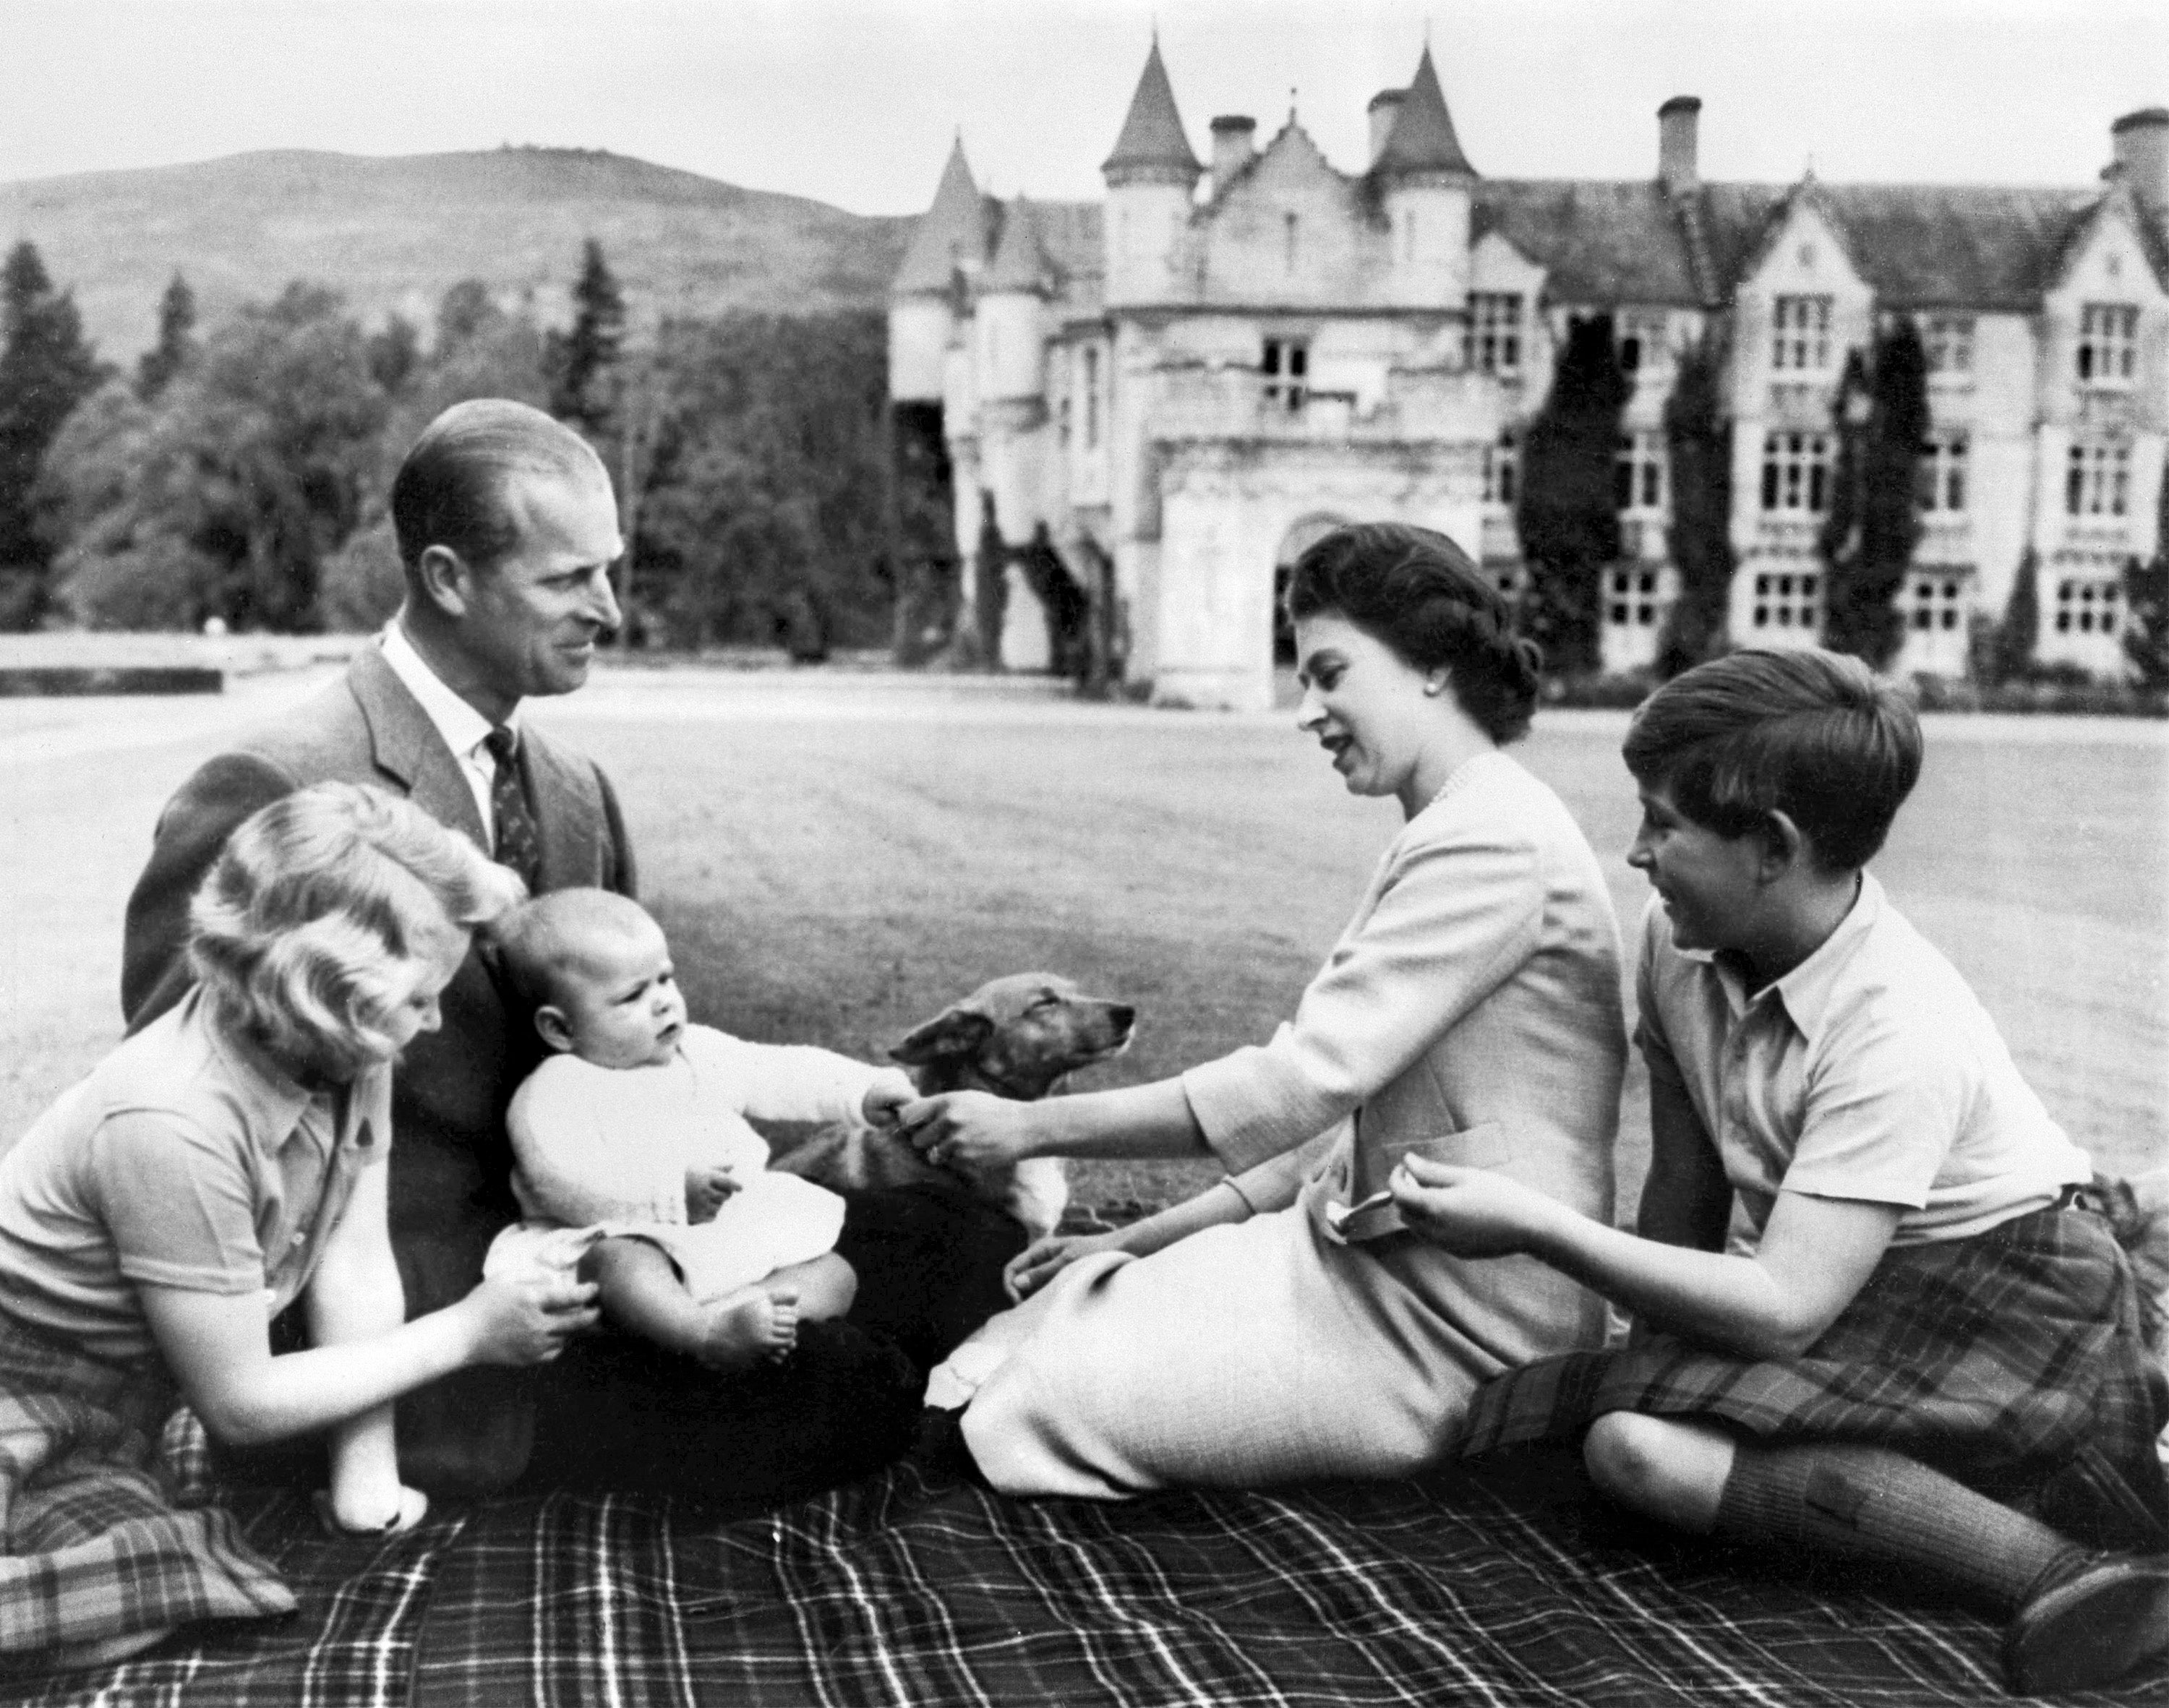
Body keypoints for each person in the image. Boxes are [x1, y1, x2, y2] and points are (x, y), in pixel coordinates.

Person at [121, 398, 1016, 1503]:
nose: (610, 608)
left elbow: (640, 1060)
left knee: (963, 1233)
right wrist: (405, 1356)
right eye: (566, 580)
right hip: (429, 1330)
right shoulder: (277, 785)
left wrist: (729, 1196)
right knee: (850, 1384)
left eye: (610, 569)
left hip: (618, 1248)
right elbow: (178, 1122)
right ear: (447, 577)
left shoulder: (572, 791)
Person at [1397, 649, 2169, 1696]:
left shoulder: (1899, 1024)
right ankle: (1970, 1514)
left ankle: (2071, 1570)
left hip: (2010, 1293)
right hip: (1847, 1280)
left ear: (1772, 846)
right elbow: (1686, 1186)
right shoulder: (1679, 943)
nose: (1635, 852)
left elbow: (1785, 1309)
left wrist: (1538, 1226)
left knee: (1631, 1445)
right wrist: (1660, 1359)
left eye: (1665, 824)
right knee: (1550, 1428)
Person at [901, 522, 1627, 1496]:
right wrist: (1136, 1236)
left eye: (1330, 674)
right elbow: (1327, 1128)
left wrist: (1028, 1124)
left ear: (1435, 665)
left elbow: (1294, 1087)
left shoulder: (1494, 843)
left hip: (1458, 1330)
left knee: (1019, 1410)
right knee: (1051, 1310)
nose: (1308, 710)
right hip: (1354, 1265)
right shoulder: (1457, 820)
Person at [0, 784, 595, 1672]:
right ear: (317, 988)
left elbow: (351, 1261)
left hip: (129, 1404)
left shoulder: (348, 1043)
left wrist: (368, 1478)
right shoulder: (171, 1118)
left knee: (154, 1575)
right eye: (420, 998)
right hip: (25, 1379)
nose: (434, 1021)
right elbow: (239, 1405)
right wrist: (470, 1329)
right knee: (132, 1596)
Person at [486, 889, 916, 1369]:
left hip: (716, 1233)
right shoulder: (557, 1089)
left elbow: (775, 1070)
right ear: (561, 1029)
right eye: (632, 995)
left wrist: (861, 1090)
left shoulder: (696, 1051)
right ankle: (703, 1335)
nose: (664, 1003)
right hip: (626, 1231)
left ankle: (755, 1315)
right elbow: (560, 1177)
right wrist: (670, 1194)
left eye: (665, 978)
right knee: (621, 1263)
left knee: (834, 1272)